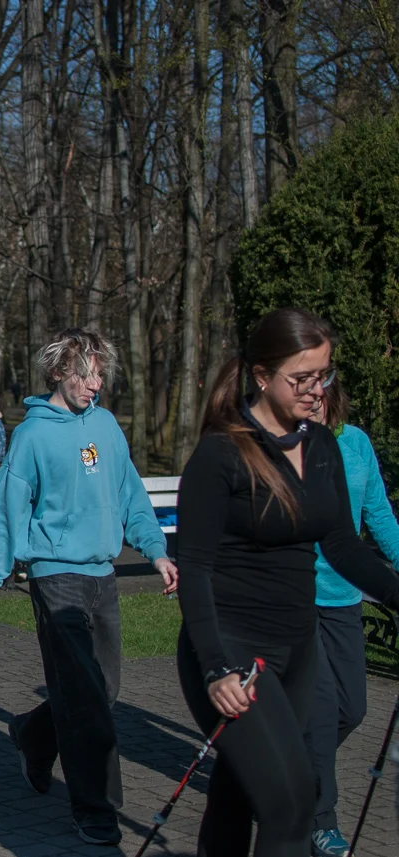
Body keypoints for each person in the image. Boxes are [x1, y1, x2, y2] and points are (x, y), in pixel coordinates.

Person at [175, 308, 399, 857]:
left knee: (239, 790)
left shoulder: (320, 446)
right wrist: (215, 665)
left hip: (298, 649)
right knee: (294, 802)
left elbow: (342, 543)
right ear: (261, 377)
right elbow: (195, 569)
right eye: (300, 378)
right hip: (235, 650)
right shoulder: (222, 453)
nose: (316, 390)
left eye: (323, 375)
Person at [0, 328, 177, 847]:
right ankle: (97, 810)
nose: (95, 383)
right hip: (55, 575)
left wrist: (155, 550)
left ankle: (34, 736)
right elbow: (6, 512)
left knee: (104, 688)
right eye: (85, 373)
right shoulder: (34, 436)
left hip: (102, 575)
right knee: (85, 702)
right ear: (60, 372)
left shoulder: (106, 426)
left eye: (100, 373)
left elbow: (129, 494)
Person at [301, 380, 399, 857]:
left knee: (352, 708)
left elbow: (377, 514)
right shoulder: (287, 442)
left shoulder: (355, 442)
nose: (313, 394)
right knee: (319, 713)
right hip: (297, 598)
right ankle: (322, 819)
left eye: (320, 384)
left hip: (344, 596)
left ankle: (288, 770)